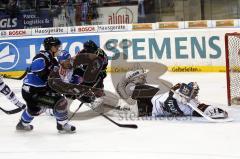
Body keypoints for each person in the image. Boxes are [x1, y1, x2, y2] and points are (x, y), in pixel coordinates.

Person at [16, 37, 76, 133]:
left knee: (35, 110)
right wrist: (47, 74)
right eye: (57, 47)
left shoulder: (53, 61)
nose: (58, 49)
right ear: (51, 47)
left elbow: (53, 79)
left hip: (37, 90)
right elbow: (38, 70)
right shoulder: (42, 56)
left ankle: (22, 125)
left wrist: (62, 88)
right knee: (59, 102)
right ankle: (62, 125)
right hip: (32, 92)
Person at [116, 69, 228, 119]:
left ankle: (118, 106)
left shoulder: (192, 106)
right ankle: (118, 104)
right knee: (130, 91)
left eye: (194, 92)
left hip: (151, 108)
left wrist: (214, 110)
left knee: (132, 109)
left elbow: (201, 108)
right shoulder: (180, 91)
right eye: (192, 91)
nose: (194, 94)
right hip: (154, 97)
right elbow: (177, 88)